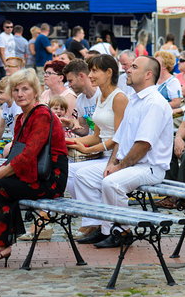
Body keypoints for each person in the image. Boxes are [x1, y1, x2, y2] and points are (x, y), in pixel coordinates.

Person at [0, 69, 68, 266]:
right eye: (16, 90)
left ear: (36, 91)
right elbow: (16, 154)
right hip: (27, 172)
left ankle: (1, 244)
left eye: (25, 89)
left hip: (48, 178)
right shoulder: (21, 117)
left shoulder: (42, 114)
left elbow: (28, 155)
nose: (20, 94)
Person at [72, 57, 173, 248]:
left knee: (112, 182)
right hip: (131, 164)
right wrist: (112, 163)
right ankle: (101, 227)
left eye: (134, 67)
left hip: (150, 167)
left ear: (148, 74)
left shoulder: (154, 103)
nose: (128, 70)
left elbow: (143, 144)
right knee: (83, 176)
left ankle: (122, 231)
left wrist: (119, 167)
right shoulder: (134, 99)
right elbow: (119, 138)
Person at [65, 54, 129, 238]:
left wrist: (87, 149)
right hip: (104, 155)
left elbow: (118, 138)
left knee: (83, 174)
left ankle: (95, 223)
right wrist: (70, 142)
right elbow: (96, 136)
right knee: (68, 171)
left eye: (94, 71)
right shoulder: (100, 97)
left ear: (109, 73)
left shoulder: (119, 98)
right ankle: (93, 219)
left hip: (117, 157)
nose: (90, 75)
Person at [62, 59, 101, 137]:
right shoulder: (79, 100)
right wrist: (69, 125)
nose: (69, 85)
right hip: (92, 142)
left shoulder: (102, 93)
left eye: (70, 81)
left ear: (81, 76)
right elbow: (84, 131)